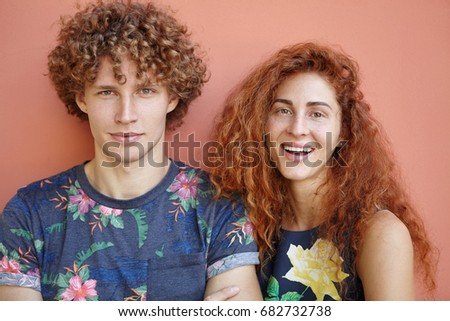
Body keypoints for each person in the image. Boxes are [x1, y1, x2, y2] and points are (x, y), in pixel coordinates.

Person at [0, 0, 262, 301]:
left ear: (172, 97)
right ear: (82, 99)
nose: (126, 114)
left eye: (145, 90)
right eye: (107, 92)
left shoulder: (218, 207)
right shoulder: (28, 214)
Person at [209, 42, 437, 300]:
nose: (297, 128)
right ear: (262, 126)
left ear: (344, 133)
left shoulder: (380, 234)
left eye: (317, 114)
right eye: (283, 110)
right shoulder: (245, 223)